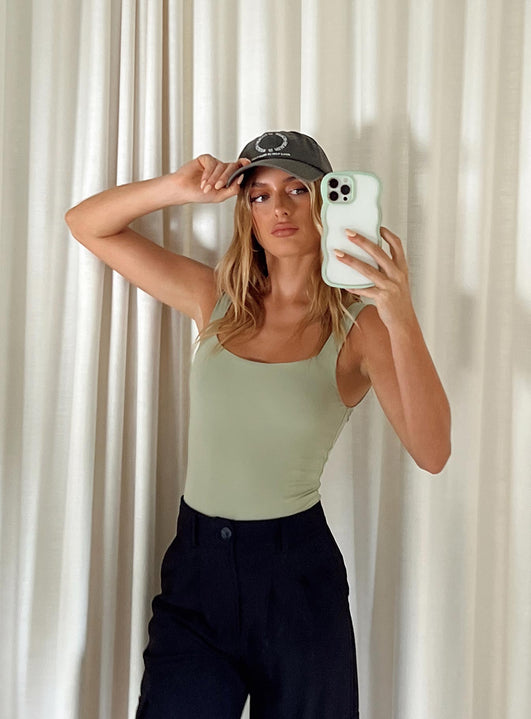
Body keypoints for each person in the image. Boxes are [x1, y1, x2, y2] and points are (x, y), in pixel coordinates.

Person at [65, 130, 451, 718]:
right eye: (260, 195)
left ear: (327, 201)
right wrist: (178, 187)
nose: (280, 209)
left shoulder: (360, 328)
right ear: (245, 212)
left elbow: (432, 451)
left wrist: (400, 314)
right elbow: (87, 224)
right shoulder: (217, 300)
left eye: (298, 189)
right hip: (196, 572)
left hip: (296, 579)